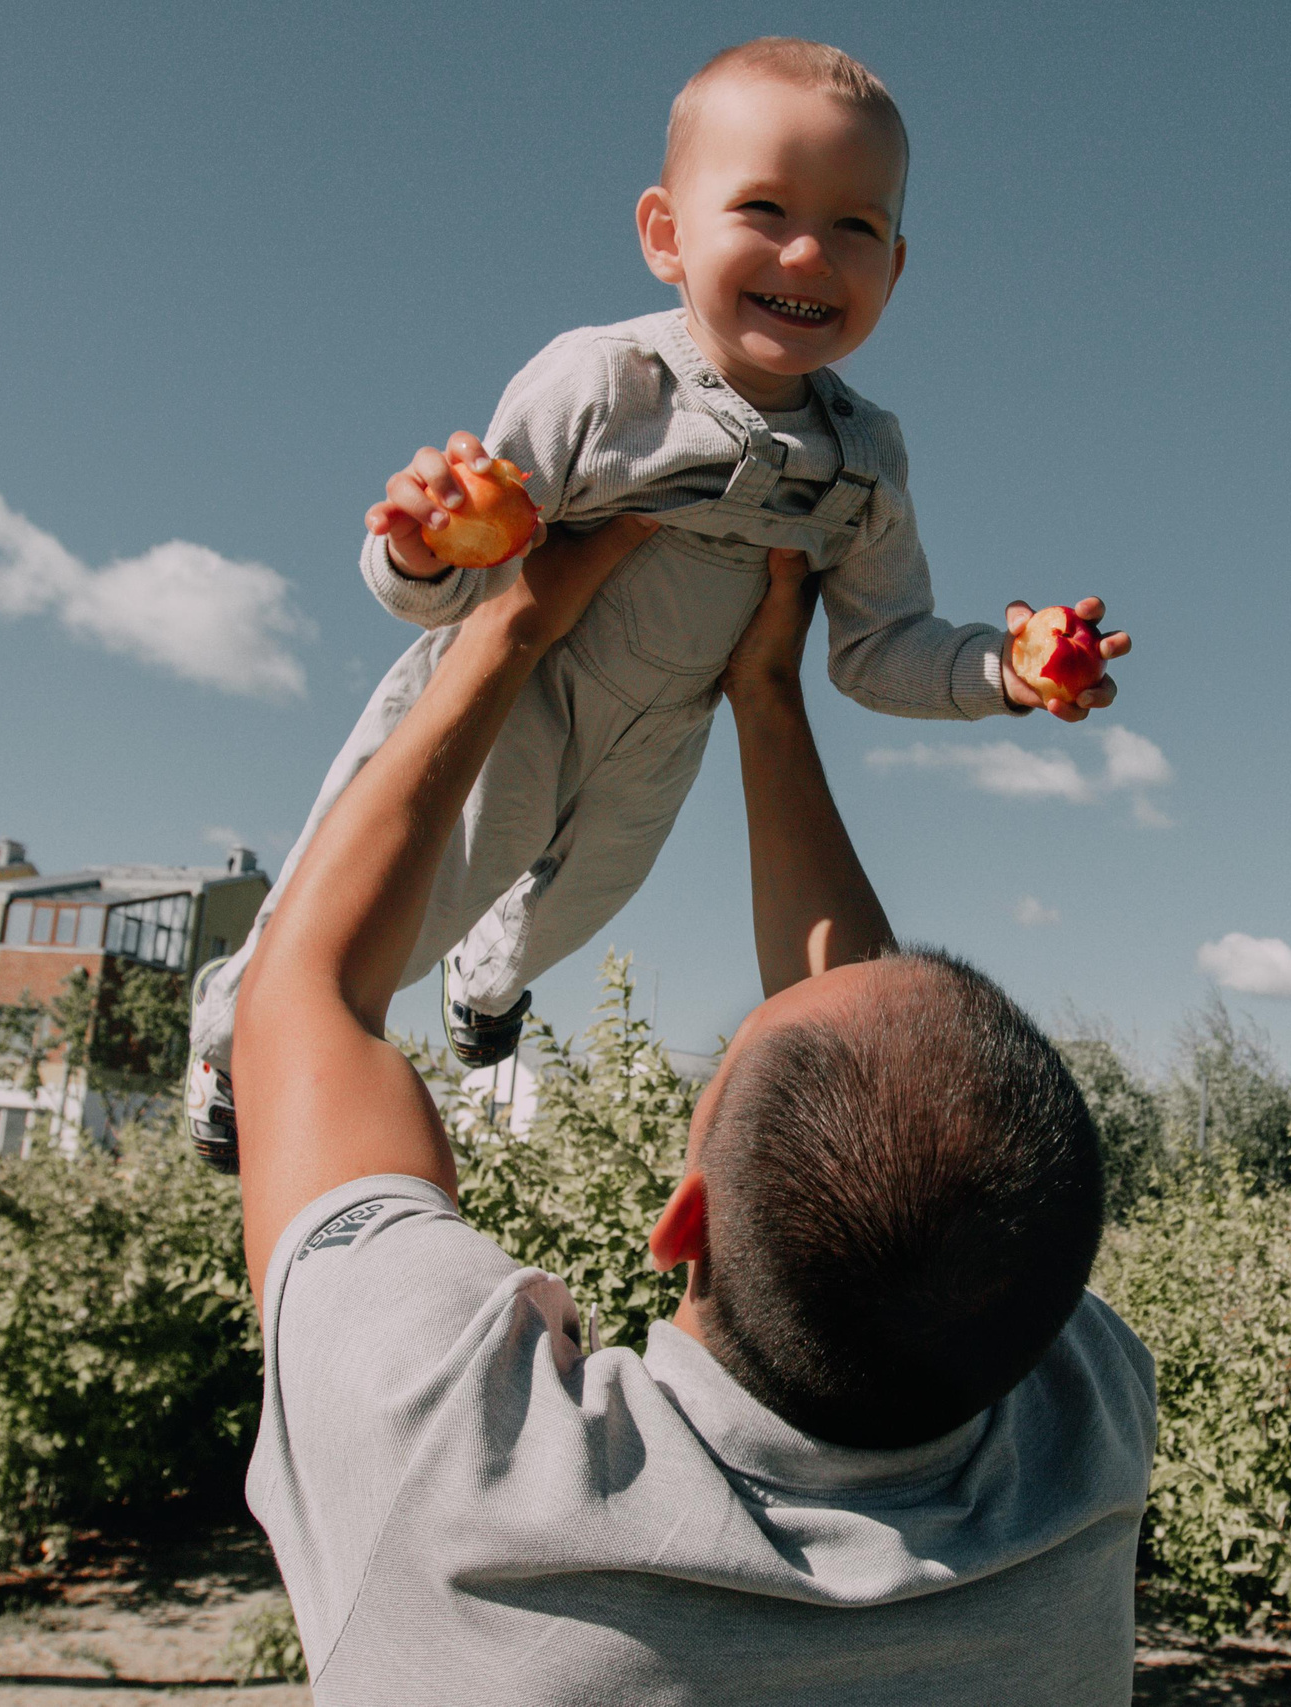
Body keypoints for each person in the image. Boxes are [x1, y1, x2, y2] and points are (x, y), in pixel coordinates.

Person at [232, 526, 1157, 1704]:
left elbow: (296, 1005)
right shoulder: (1081, 1436)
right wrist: (764, 692)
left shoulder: (458, 1468)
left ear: (685, 1223)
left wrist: (510, 626)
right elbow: (896, 1100)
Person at [185, 38, 1129, 1153]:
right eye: (765, 208)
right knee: (405, 884)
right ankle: (230, 1042)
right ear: (666, 237)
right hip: (513, 694)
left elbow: (879, 649)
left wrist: (1000, 673)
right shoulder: (604, 384)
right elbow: (465, 571)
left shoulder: (864, 456)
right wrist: (430, 549)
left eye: (854, 227)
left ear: (897, 266)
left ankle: (486, 991)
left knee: (589, 895)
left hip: (667, 726)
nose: (808, 251)